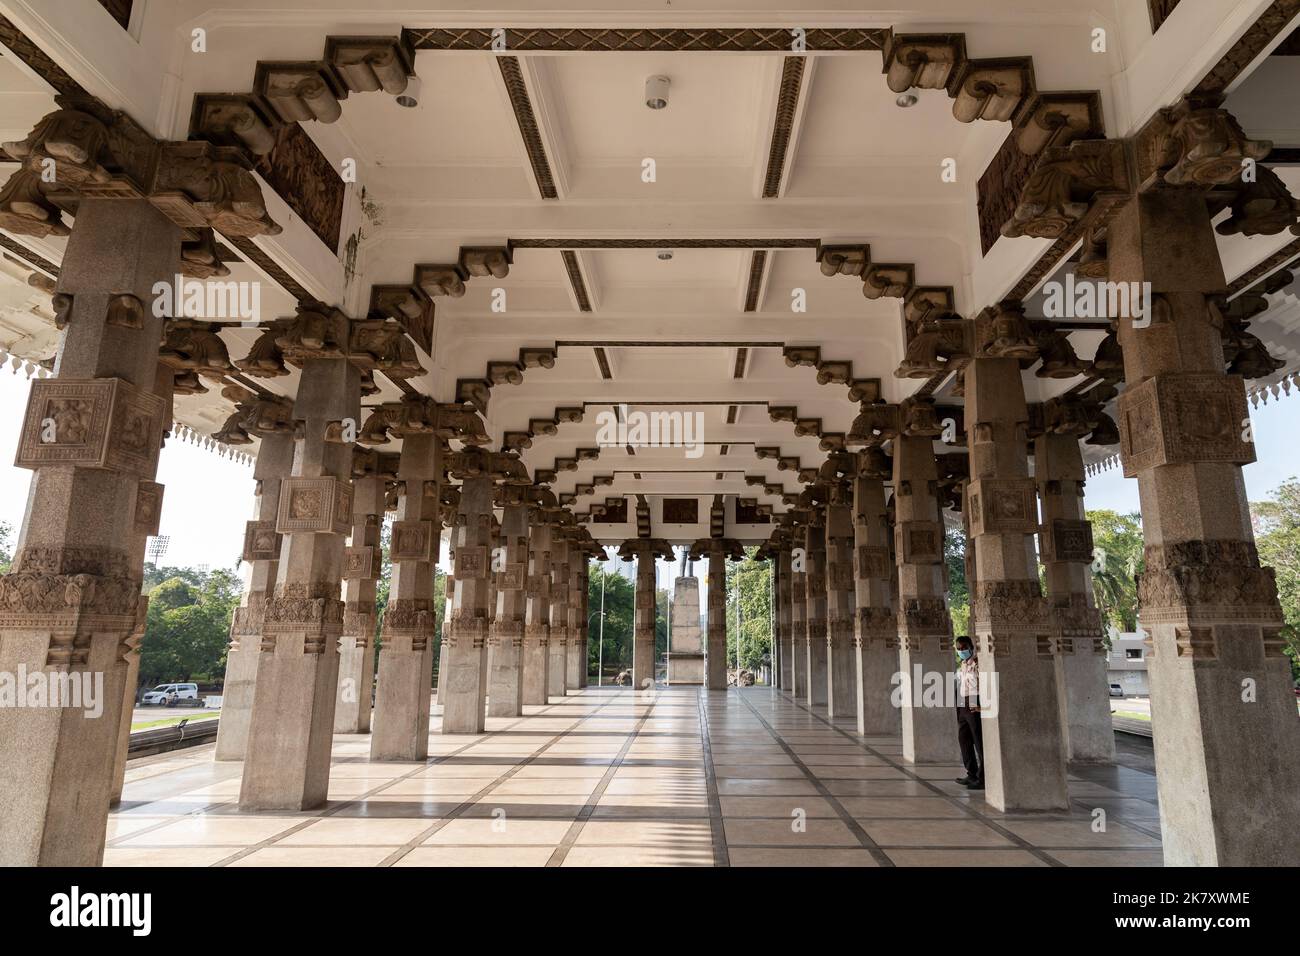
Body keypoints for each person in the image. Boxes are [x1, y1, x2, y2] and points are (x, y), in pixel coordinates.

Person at [953, 636, 984, 791]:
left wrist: (982, 706)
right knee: (964, 741)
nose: (961, 651)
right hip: (963, 704)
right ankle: (971, 773)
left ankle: (982, 778)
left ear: (971, 647)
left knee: (979, 742)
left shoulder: (979, 664)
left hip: (974, 703)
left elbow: (986, 685)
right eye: (958, 648)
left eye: (964, 647)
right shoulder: (962, 666)